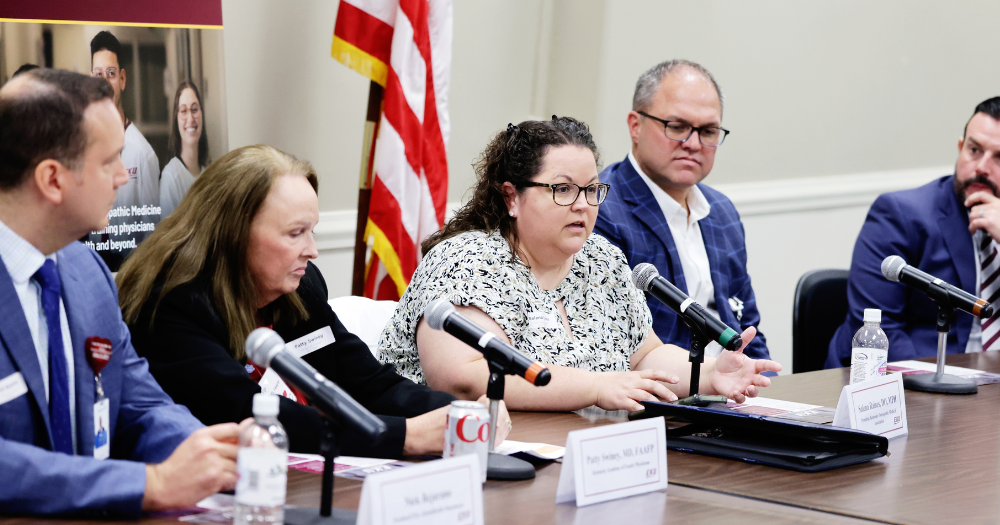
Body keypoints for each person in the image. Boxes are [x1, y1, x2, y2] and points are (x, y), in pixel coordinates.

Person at [116, 144, 508, 458]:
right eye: (295, 233)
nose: (313, 250)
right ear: (233, 234)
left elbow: (368, 383)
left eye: (313, 230)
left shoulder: (299, 290)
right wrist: (404, 437)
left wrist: (453, 412)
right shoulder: (172, 304)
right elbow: (244, 412)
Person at [379, 117, 780, 412]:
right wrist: (595, 387)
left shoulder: (601, 259)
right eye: (563, 189)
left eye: (591, 190)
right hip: (464, 454)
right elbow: (465, 378)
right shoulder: (465, 261)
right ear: (511, 197)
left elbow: (644, 356)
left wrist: (712, 374)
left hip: (582, 451)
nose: (583, 205)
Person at [0, 68, 240, 516]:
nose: (122, 177)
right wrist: (148, 483)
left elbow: (138, 402)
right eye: (109, 161)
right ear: (52, 179)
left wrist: (210, 450)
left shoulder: (87, 272)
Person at [594, 60, 770, 361]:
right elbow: (612, 345)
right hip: (656, 395)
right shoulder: (601, 209)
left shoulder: (721, 212)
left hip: (731, 396)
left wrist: (767, 388)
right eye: (677, 127)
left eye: (709, 131)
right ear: (636, 126)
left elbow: (747, 327)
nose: (693, 143)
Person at [826, 97, 1000, 366]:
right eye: (974, 150)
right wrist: (951, 387)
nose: (981, 168)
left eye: (999, 158)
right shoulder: (900, 214)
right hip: (918, 378)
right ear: (959, 147)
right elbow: (881, 333)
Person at [86, 30, 160, 270]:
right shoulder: (85, 149)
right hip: (94, 268)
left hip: (129, 274)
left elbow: (153, 237)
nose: (105, 83)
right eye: (98, 75)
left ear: (123, 79)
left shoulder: (142, 154)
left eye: (111, 74)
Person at [160, 80, 209, 218]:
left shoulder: (209, 174)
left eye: (194, 110)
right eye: (183, 111)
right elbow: (169, 238)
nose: (190, 118)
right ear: (176, 119)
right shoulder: (171, 177)